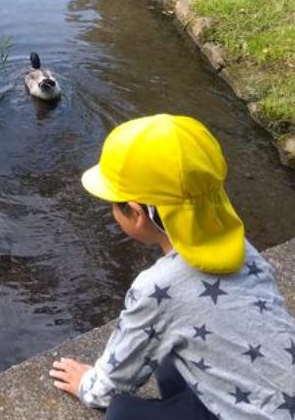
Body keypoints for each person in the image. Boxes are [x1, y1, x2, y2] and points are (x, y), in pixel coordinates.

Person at [49, 114, 295, 419]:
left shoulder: (158, 287)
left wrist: (87, 384)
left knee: (120, 411)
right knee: (168, 356)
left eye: (112, 202)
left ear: (136, 214)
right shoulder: (242, 247)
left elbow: (111, 386)